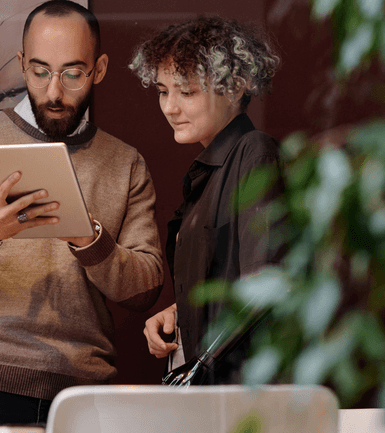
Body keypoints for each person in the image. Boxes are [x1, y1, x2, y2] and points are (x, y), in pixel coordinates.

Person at [0, 0, 163, 426]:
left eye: (72, 73)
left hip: (83, 395)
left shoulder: (126, 162)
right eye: (40, 72)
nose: (54, 91)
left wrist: (90, 240)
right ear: (22, 64)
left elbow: (145, 289)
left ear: (98, 70)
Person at [129, 16, 287, 382]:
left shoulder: (254, 153)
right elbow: (228, 279)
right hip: (212, 388)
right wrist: (180, 313)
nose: (170, 107)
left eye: (186, 92)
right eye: (162, 91)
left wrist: (201, 367)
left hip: (239, 391)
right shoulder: (209, 174)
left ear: (234, 88)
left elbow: (266, 283)